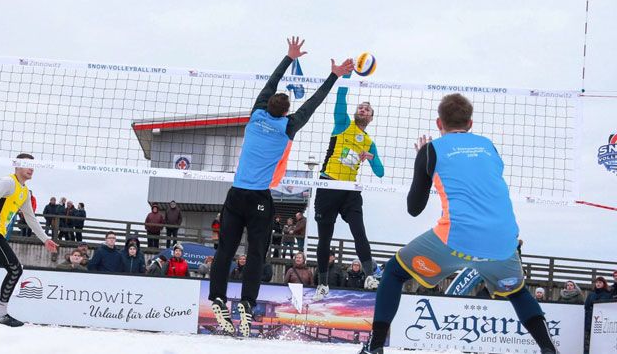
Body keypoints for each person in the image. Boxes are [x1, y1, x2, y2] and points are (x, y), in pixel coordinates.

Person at [358, 94, 559, 354]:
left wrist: (422, 161)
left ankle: (374, 348)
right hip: (504, 239)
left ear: (438, 123)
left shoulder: (431, 150)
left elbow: (414, 209)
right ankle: (548, 349)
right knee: (518, 292)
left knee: (394, 273)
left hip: (456, 237)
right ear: (470, 123)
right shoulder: (488, 146)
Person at [209, 36, 354, 337]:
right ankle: (247, 305)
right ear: (287, 112)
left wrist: (289, 57)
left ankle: (217, 297)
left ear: (268, 104)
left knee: (225, 250)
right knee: (256, 255)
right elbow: (313, 103)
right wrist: (334, 76)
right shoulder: (288, 126)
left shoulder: (256, 114)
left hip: (235, 195)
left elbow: (272, 81)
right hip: (260, 199)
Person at [313, 75, 384, 301]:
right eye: (361, 107)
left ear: (371, 118)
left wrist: (371, 157)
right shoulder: (343, 124)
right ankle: (323, 284)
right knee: (325, 237)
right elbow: (341, 97)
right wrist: (345, 77)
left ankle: (370, 275)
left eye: (367, 109)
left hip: (350, 190)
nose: (363, 110)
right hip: (328, 184)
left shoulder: (369, 141)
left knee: (359, 230)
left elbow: (381, 171)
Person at [0, 153, 59, 327]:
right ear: (16, 165)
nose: (31, 168)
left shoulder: (24, 192)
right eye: (26, 164)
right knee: (15, 269)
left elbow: (30, 218)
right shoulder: (7, 182)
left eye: (33, 166)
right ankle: (1, 313)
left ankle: (0, 313)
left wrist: (45, 239)